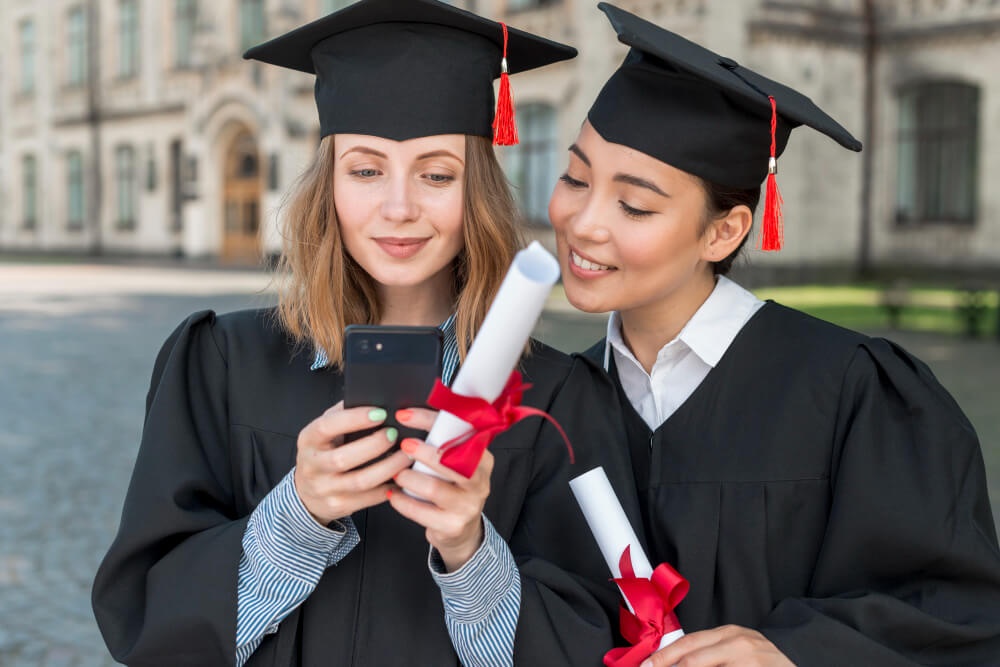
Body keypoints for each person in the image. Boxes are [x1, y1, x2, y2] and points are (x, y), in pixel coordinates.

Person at [91, 1, 619, 665]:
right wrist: (299, 514)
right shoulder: (222, 365)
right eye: (366, 169)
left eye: (436, 173)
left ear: (475, 191)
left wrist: (468, 551)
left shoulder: (551, 399)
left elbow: (584, 645)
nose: (398, 207)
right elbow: (153, 625)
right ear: (329, 186)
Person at [550, 4, 1000, 666]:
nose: (582, 223)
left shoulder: (851, 394)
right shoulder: (557, 403)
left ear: (724, 231)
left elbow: (960, 617)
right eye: (575, 177)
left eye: (635, 204)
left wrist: (791, 652)